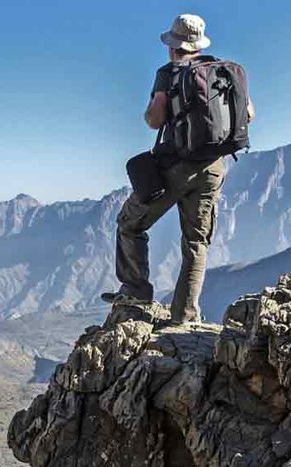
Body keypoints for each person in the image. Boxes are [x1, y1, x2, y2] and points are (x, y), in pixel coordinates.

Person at [105, 14, 254, 324]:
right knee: (196, 242)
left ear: (173, 45)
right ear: (198, 45)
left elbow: (154, 119)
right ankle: (184, 315)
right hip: (214, 167)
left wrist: (161, 112)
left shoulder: (168, 74)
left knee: (130, 224)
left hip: (176, 165)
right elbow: (249, 113)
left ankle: (136, 293)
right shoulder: (223, 72)